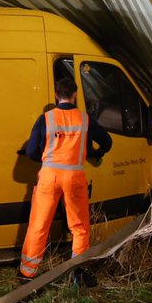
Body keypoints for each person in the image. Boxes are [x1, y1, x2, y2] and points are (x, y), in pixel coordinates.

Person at [18, 72, 112, 286]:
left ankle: (27, 275)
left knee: (39, 225)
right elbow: (107, 142)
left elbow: (32, 151)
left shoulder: (46, 118)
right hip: (74, 177)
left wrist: (46, 155)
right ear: (75, 95)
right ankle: (78, 273)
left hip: (49, 176)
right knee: (79, 227)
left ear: (56, 95)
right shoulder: (85, 119)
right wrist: (94, 153)